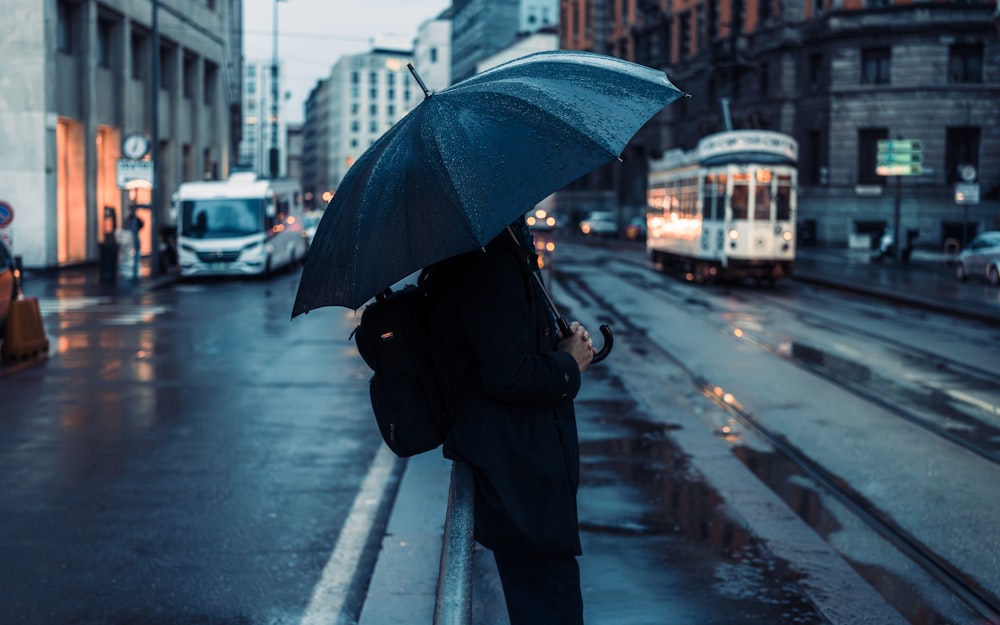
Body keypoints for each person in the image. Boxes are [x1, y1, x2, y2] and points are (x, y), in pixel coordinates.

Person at [428, 216, 595, 625]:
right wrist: (568, 365)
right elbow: (508, 373)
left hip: (521, 470)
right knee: (553, 610)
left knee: (545, 604)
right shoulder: (489, 256)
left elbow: (505, 346)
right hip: (524, 475)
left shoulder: (496, 243)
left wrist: (557, 347)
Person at [123, 207, 143, 279]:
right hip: (129, 237)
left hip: (134, 236)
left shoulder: (136, 219)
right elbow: (125, 227)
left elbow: (141, 224)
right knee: (130, 252)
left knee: (137, 251)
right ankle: (132, 266)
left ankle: (136, 265)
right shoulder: (128, 219)